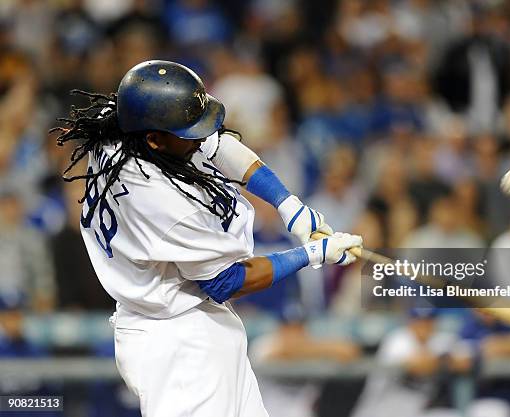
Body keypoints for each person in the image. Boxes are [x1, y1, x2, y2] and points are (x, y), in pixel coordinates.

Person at [53, 60, 363, 417]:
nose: (200, 137)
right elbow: (227, 280)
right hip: (178, 341)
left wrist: (287, 204)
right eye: (188, 133)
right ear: (154, 139)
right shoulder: (164, 204)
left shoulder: (122, 124)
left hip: (188, 321)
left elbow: (219, 144)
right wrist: (311, 254)